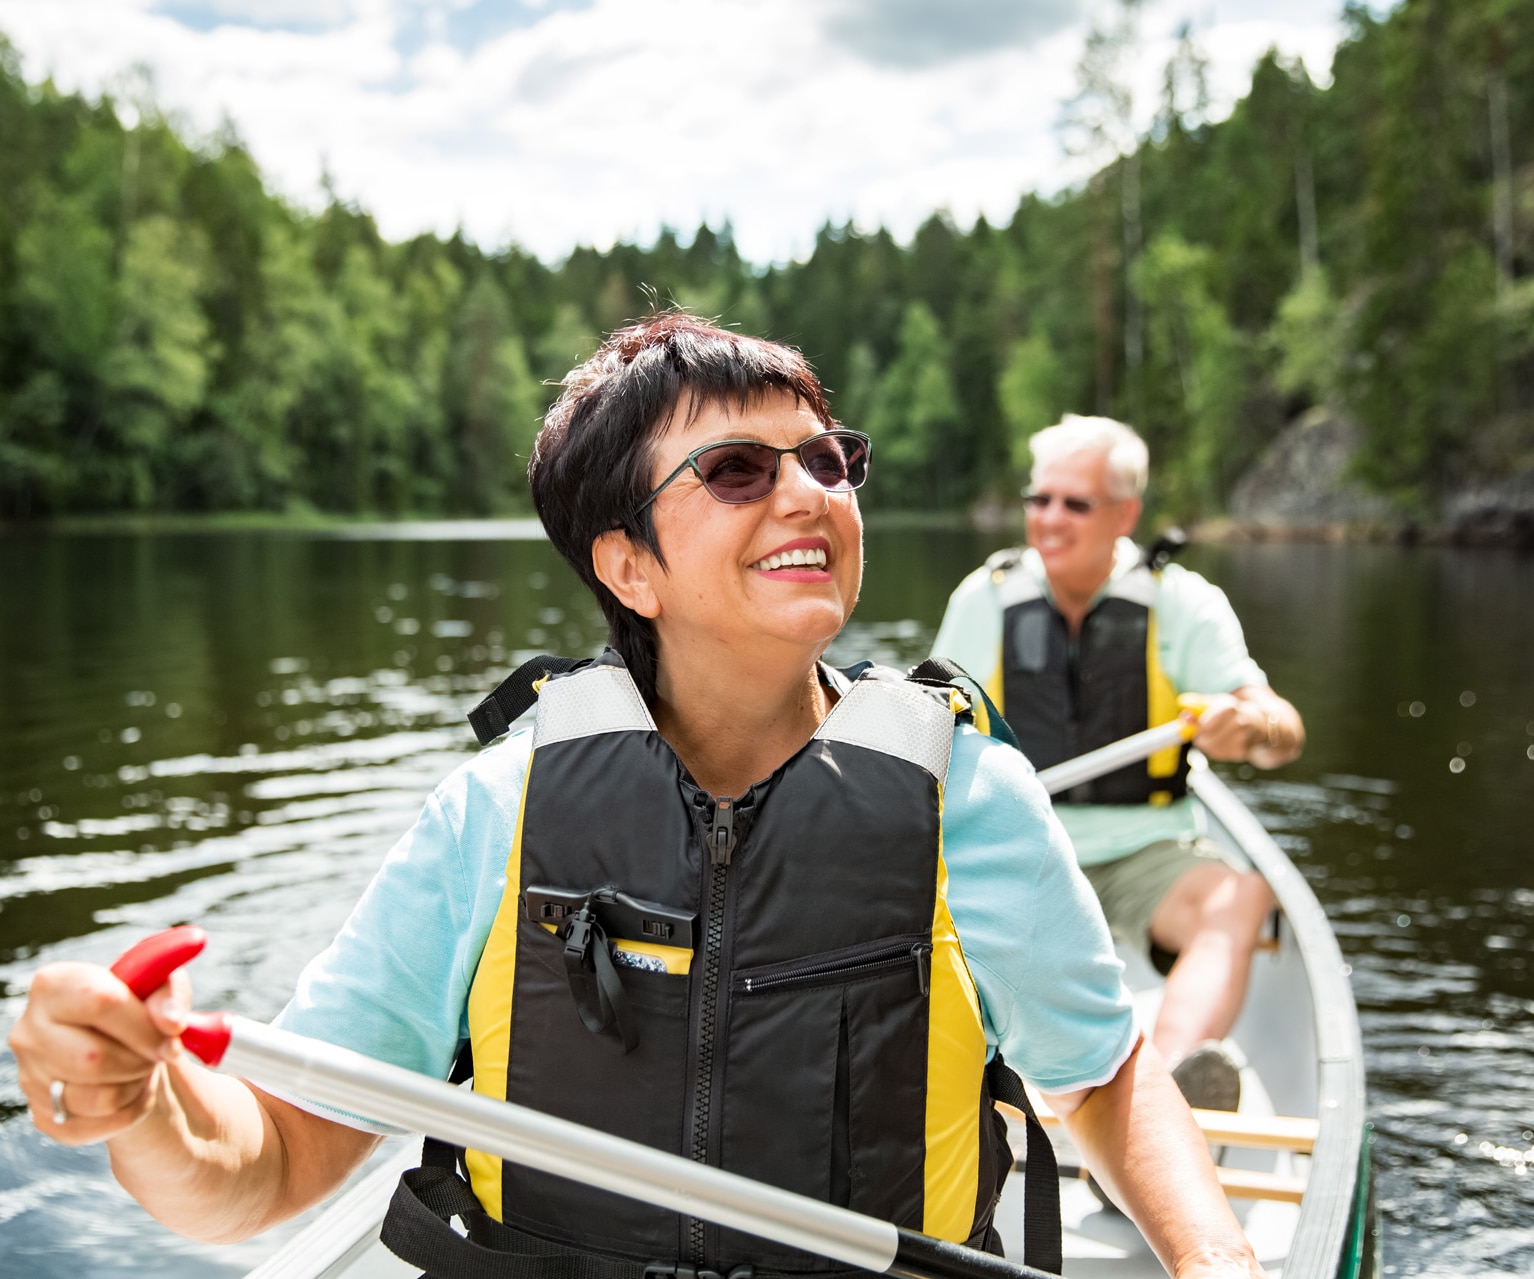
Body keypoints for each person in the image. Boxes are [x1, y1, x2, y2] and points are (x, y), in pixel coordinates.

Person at [9, 317, 1264, 1279]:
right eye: (734, 469)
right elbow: (267, 1165)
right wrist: (148, 1104)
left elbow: (1099, 1080)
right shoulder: (495, 816)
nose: (810, 492)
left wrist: (1214, 1260)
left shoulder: (969, 799)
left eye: (828, 459)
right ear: (627, 565)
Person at [932, 413, 1304, 1113]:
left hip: (1144, 852)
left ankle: (1163, 1098)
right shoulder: (984, 599)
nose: (1049, 518)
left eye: (1075, 502)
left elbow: (1283, 728)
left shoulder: (1183, 602)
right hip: (1017, 843)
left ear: (1125, 513)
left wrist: (1249, 723)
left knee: (1241, 897)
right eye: (1039, 499)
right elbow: (930, 728)